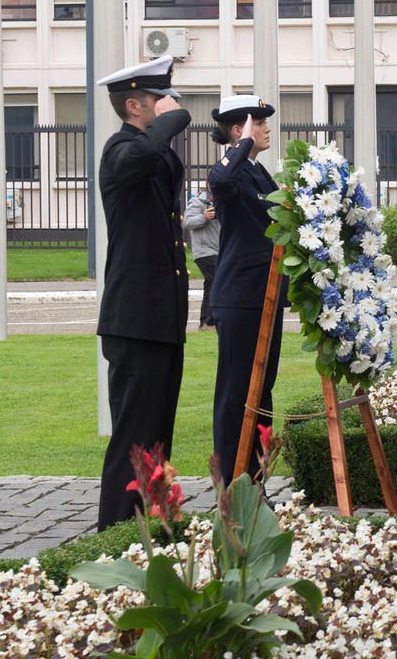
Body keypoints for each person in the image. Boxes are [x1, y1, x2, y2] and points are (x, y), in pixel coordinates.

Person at [93, 55, 192, 531]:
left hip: (160, 320)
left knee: (156, 437)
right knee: (132, 438)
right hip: (134, 320)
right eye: (159, 99)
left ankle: (151, 524)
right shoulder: (119, 150)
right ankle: (113, 531)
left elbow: (161, 165)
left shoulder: (151, 152)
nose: (169, 105)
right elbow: (140, 158)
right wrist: (171, 122)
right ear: (134, 106)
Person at [206, 94, 286, 483]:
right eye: (260, 123)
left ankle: (253, 482)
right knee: (236, 396)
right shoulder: (233, 173)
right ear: (239, 131)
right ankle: (232, 484)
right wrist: (240, 146)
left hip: (266, 296)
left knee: (261, 392)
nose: (268, 128)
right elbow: (219, 180)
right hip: (239, 297)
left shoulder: (259, 173)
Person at [184, 187, 220, 332]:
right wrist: (204, 216)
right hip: (204, 251)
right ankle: (210, 322)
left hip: (219, 250)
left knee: (210, 283)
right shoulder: (198, 201)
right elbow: (186, 222)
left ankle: (205, 322)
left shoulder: (222, 201)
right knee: (217, 279)